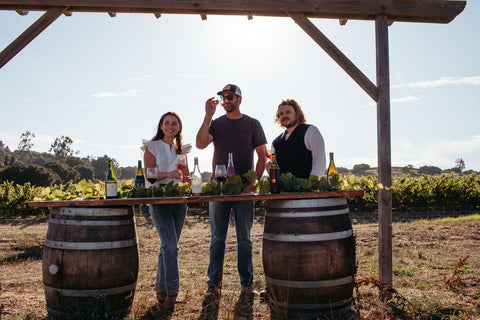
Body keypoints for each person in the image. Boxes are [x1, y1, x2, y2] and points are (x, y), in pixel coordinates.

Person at [196, 84, 267, 298]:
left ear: (239, 99)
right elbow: (200, 144)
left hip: (244, 191)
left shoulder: (253, 124)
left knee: (244, 238)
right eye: (223, 97)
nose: (225, 100)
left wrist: (253, 183)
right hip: (219, 190)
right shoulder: (216, 123)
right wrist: (208, 115)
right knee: (217, 238)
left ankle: (247, 285)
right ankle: (213, 286)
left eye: (229, 97)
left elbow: (262, 156)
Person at [141, 111, 191, 312]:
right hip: (159, 200)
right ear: (161, 126)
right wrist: (169, 174)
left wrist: (191, 183)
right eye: (167, 123)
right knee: (171, 247)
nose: (171, 126)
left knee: (167, 247)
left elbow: (185, 177)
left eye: (175, 124)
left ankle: (160, 291)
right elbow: (148, 176)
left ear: (179, 128)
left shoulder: (181, 150)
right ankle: (172, 294)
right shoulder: (151, 147)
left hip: (179, 202)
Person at [271, 98, 326, 178]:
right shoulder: (275, 143)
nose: (284, 116)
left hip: (308, 189)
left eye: (288, 112)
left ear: (297, 113)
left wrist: (311, 185)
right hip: (284, 190)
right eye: (281, 114)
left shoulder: (311, 131)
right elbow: (276, 169)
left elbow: (319, 162)